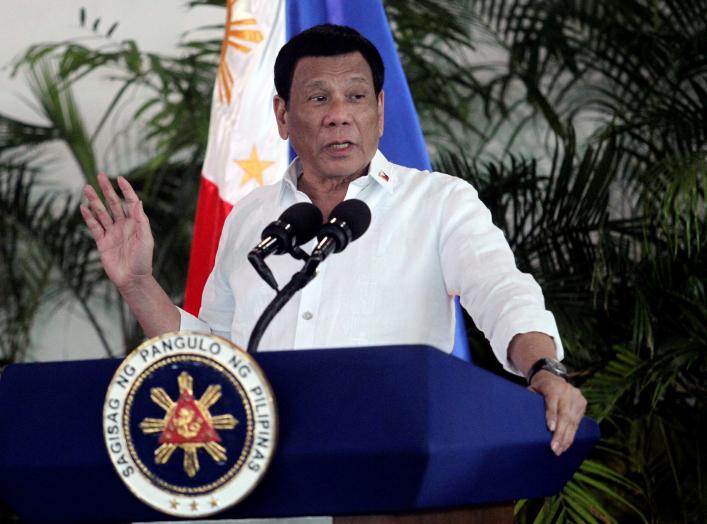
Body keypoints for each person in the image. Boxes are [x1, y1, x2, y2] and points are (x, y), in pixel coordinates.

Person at [80, 24, 586, 456]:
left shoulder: (439, 202)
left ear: (381, 110)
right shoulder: (250, 219)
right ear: (282, 115)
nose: (339, 114)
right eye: (318, 97)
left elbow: (502, 291)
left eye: (357, 96)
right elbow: (215, 359)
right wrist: (139, 284)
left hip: (390, 468)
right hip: (264, 473)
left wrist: (543, 367)